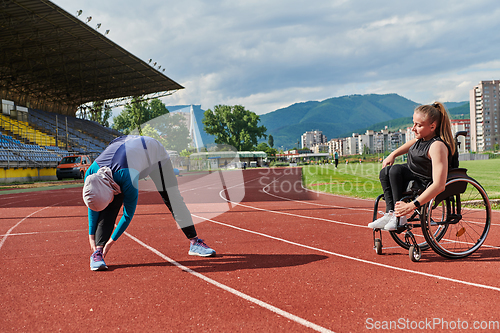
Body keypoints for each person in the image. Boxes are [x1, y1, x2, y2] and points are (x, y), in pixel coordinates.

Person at [83, 135, 216, 271]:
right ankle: (97, 253)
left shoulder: (128, 177)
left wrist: (111, 242)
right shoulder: (90, 174)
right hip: (125, 149)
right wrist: (91, 236)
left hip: (155, 156)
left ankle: (195, 242)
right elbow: (93, 203)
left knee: (173, 198)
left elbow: (128, 215)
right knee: (110, 206)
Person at [368, 102, 455, 231]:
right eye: (413, 123)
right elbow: (410, 143)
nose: (413, 128)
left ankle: (400, 217)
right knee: (386, 171)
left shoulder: (437, 146)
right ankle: (391, 213)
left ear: (432, 127)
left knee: (395, 170)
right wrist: (393, 154)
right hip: (414, 174)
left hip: (424, 181)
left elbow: (439, 185)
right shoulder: (422, 138)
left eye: (418, 125)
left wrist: (411, 206)